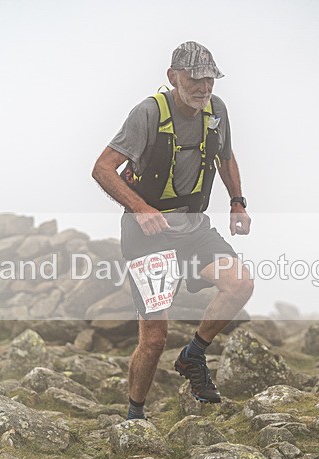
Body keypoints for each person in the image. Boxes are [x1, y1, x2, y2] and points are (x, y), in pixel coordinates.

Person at [91, 41, 253, 420]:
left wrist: (237, 201)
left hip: (194, 229)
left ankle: (193, 355)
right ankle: (135, 414)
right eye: (195, 79)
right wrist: (140, 208)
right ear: (173, 77)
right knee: (154, 338)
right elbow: (102, 168)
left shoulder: (216, 110)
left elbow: (225, 156)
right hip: (150, 235)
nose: (204, 87)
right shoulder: (148, 113)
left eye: (210, 79)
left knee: (240, 284)